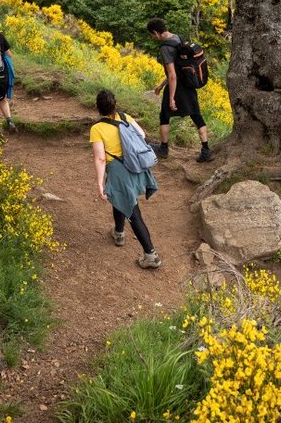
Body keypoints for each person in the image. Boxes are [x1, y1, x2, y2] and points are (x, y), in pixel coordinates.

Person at [90, 89, 161, 269]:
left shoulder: (97, 128)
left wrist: (99, 184)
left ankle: (151, 255)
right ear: (115, 105)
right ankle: (119, 233)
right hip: (136, 165)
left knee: (133, 211)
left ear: (97, 107)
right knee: (119, 197)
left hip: (119, 171)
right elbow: (142, 135)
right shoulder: (125, 117)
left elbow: (100, 158)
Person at [146, 17, 213, 162]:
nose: (153, 37)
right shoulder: (178, 38)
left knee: (164, 115)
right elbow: (180, 68)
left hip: (177, 87)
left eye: (152, 35)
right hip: (189, 85)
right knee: (196, 115)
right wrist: (161, 85)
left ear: (156, 32)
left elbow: (172, 74)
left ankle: (163, 148)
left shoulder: (165, 48)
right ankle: (206, 150)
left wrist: (171, 97)